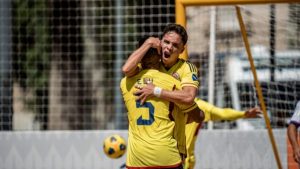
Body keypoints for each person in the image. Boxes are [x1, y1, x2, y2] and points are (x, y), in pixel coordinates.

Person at [120, 37, 203, 169]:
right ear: (160, 56)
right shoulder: (172, 83)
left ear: (139, 55)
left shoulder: (126, 84)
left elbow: (126, 68)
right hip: (166, 156)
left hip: (136, 158)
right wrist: (179, 116)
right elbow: (198, 116)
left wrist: (147, 44)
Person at [122, 23, 199, 106]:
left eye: (175, 45)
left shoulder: (187, 67)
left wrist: (156, 91)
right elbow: (126, 69)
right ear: (160, 42)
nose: (169, 47)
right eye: (166, 42)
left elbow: (189, 97)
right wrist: (148, 42)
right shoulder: (151, 63)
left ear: (182, 50)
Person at [184, 98, 262, 169]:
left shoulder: (199, 105)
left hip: (185, 159)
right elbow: (222, 113)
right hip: (181, 158)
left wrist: (244, 114)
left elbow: (223, 113)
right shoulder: (197, 105)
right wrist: (244, 114)